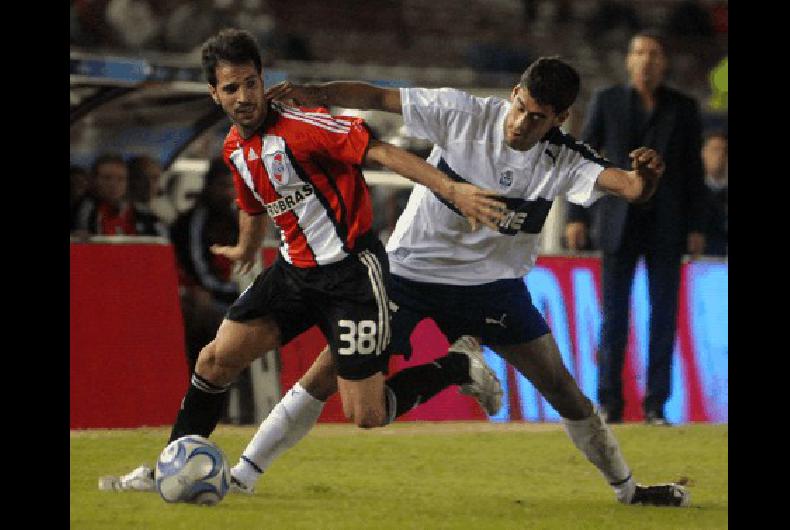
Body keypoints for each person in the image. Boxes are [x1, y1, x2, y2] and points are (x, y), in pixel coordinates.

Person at [224, 56, 689, 506]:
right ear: (513, 93)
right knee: (325, 375)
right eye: (520, 107)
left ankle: (629, 490)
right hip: (408, 273)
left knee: (561, 387)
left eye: (537, 117)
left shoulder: (562, 158)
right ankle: (242, 475)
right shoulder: (463, 113)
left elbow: (628, 188)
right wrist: (317, 94)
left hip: (493, 289)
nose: (521, 123)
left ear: (560, 118)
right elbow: (377, 97)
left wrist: (644, 179)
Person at [98, 28, 506, 492]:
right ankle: (172, 466)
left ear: (262, 79)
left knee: (367, 414)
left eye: (251, 82)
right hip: (293, 274)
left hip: (353, 275)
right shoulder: (234, 148)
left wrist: (452, 190)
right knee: (214, 361)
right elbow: (252, 204)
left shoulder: (305, 125)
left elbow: (380, 150)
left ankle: (456, 366)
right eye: (231, 88)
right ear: (215, 94)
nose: (245, 96)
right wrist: (247, 248)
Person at [564, 30, 707, 425]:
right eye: (639, 52)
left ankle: (656, 405)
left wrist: (696, 225)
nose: (646, 60)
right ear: (629, 60)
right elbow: (581, 158)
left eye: (654, 53)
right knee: (614, 316)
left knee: (663, 316)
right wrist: (577, 216)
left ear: (664, 62)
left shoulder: (684, 108)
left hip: (669, 224)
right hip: (616, 220)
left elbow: (693, 173)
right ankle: (609, 403)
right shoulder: (607, 101)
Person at [170, 156, 253, 423]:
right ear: (208, 185)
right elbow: (199, 270)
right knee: (221, 334)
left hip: (231, 298)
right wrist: (233, 293)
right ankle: (209, 413)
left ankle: (245, 415)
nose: (227, 192)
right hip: (201, 300)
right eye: (222, 186)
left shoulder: (238, 217)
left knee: (255, 336)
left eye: (232, 187)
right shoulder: (193, 221)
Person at [71, 153, 168, 237]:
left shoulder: (142, 213)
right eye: (107, 178)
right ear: (93, 180)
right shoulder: (82, 210)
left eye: (121, 179)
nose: (113, 184)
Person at [701, 131, 727, 256]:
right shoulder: (692, 197)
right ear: (703, 153)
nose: (721, 155)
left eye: (725, 151)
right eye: (715, 150)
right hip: (701, 262)